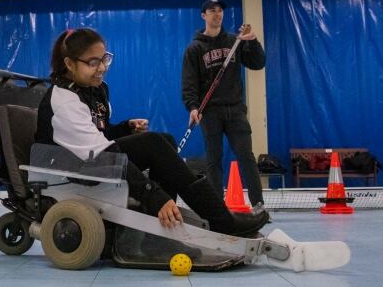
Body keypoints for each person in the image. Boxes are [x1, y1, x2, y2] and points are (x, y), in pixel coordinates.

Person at [35, 28, 269, 237]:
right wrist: (154, 195)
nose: (103, 68)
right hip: (69, 172)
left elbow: (98, 134)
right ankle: (220, 220)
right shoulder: (64, 101)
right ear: (69, 64)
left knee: (163, 140)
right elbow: (105, 153)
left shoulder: (92, 90)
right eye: (93, 62)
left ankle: (166, 222)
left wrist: (124, 127)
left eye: (104, 59)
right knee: (154, 144)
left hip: (89, 160)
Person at [181, 0, 266, 207]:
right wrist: (192, 107)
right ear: (204, 15)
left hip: (236, 110)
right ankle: (217, 208)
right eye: (212, 11)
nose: (217, 14)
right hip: (210, 112)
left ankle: (258, 205)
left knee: (246, 156)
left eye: (220, 10)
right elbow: (189, 81)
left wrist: (252, 41)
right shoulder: (194, 49)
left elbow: (258, 63)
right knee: (213, 161)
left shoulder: (234, 41)